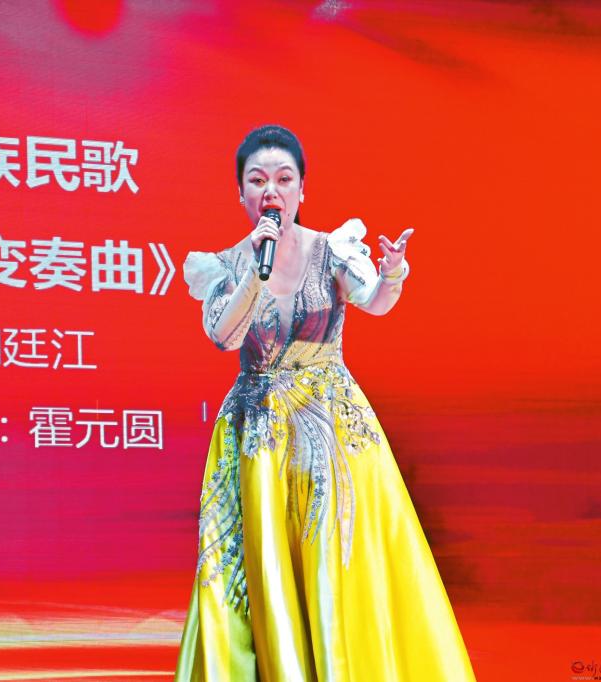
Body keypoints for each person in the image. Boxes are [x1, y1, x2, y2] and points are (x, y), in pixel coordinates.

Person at [174, 125, 476, 681]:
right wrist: (254, 272)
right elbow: (223, 336)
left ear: (302, 189)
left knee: (338, 562)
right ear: (240, 193)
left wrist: (393, 273)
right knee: (261, 567)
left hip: (331, 427)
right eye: (257, 180)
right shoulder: (226, 264)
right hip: (257, 434)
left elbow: (374, 302)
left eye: (283, 179)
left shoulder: (331, 250)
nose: (271, 190)